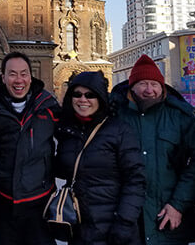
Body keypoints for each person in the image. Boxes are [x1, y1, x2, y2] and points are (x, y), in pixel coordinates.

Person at [110, 54, 195, 245]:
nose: (149, 90)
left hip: (167, 217)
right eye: (143, 83)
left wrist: (178, 204)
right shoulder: (115, 113)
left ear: (162, 87)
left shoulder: (180, 116)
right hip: (125, 219)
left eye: (154, 84)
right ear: (132, 86)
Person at [54, 71, 145, 245]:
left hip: (113, 229)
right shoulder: (67, 132)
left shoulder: (119, 130)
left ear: (101, 98)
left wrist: (124, 223)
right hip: (80, 226)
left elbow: (135, 180)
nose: (83, 99)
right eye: (77, 94)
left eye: (90, 95)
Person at [0, 52, 60, 245]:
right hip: (4, 205)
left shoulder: (48, 107)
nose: (19, 80)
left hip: (40, 204)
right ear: (3, 78)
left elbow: (75, 136)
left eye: (24, 73)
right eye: (12, 74)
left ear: (31, 76)